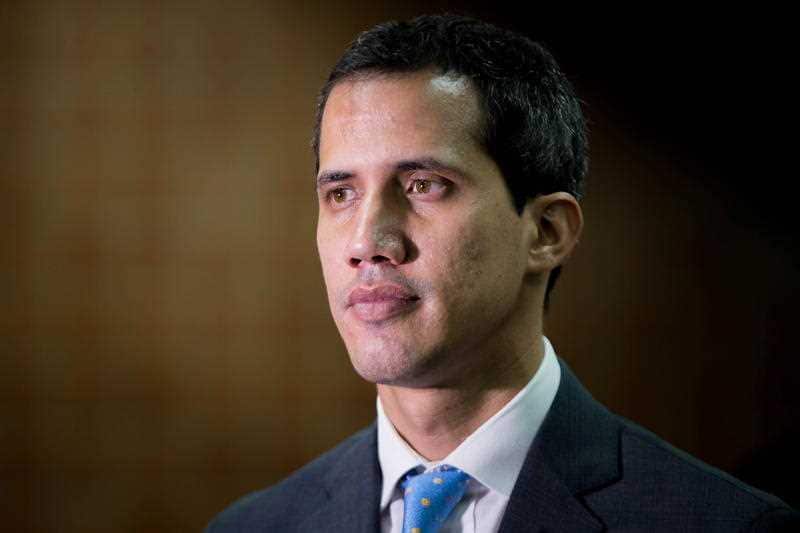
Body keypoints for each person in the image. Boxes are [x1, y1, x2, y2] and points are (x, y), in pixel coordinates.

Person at [206, 14, 798, 532]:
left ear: (546, 233)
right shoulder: (251, 526)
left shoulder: (724, 524)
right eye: (340, 193)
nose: (366, 242)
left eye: (423, 185)